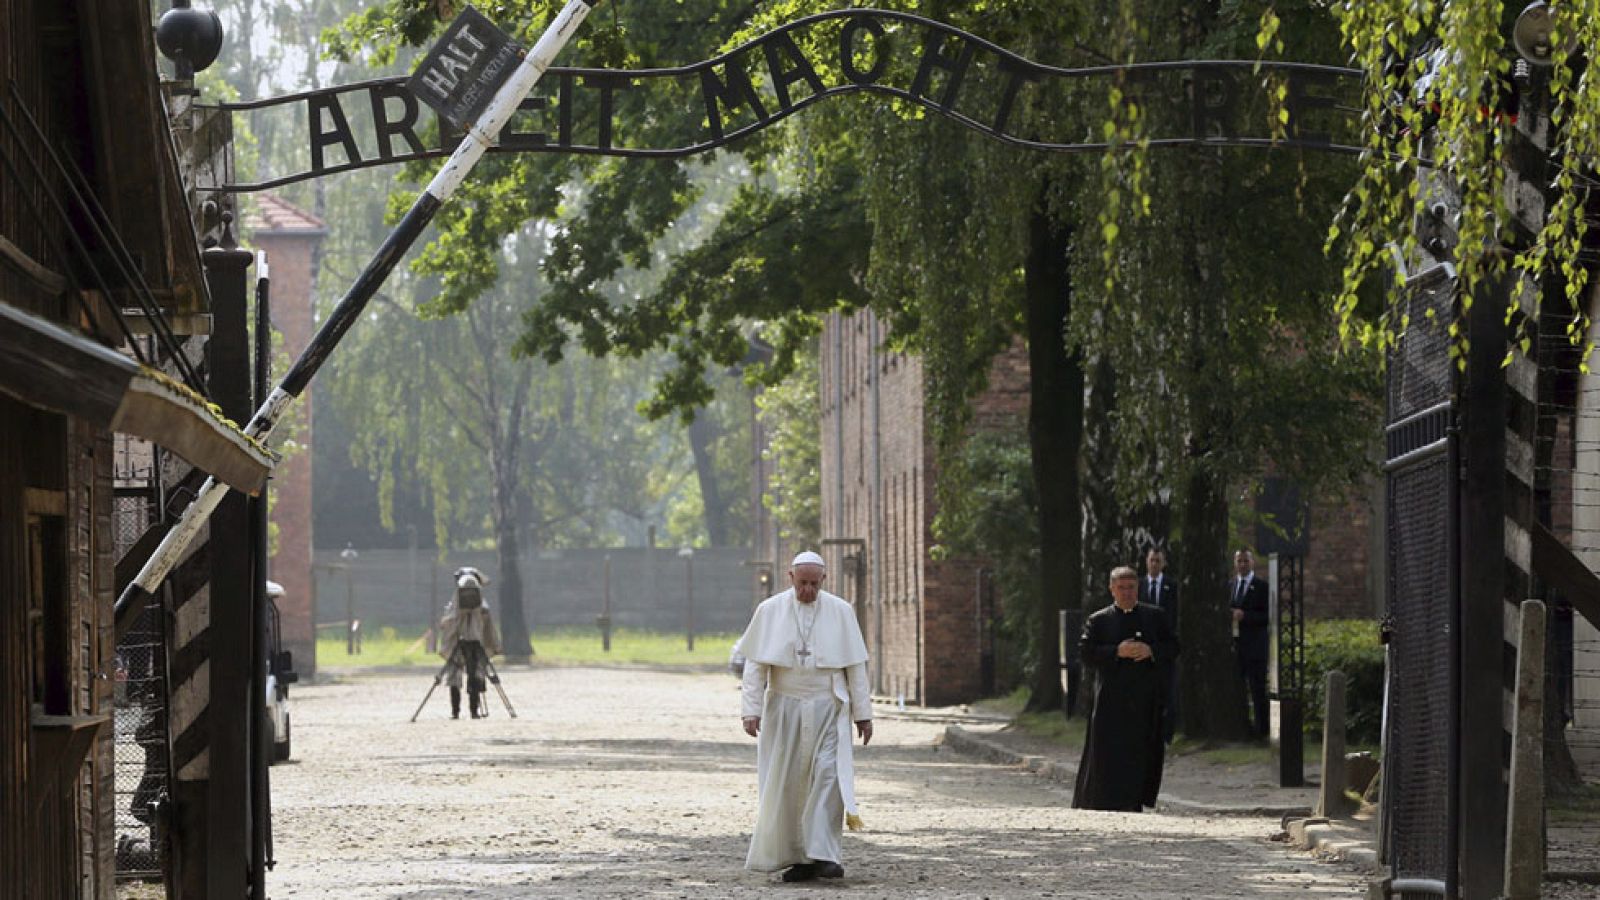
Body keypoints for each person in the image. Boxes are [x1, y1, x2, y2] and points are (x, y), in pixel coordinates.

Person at [738, 550, 873, 882]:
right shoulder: (769, 611)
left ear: (823, 580)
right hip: (785, 707)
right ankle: (798, 858)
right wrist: (750, 710)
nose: (808, 591)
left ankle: (824, 855)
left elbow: (855, 667)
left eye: (814, 584)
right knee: (789, 784)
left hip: (829, 705)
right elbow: (755, 666)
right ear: (790, 578)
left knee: (829, 777)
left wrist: (863, 715)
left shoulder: (841, 612)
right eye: (802, 584)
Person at [1072, 565, 1179, 812]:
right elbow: (1086, 653)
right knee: (1108, 752)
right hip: (1111, 699)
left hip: (1145, 699)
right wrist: (1116, 651)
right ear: (1112, 589)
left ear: (1137, 588)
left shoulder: (1155, 616)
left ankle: (1136, 799)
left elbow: (1174, 646)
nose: (1127, 593)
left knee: (1141, 751)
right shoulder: (1099, 620)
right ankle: (1103, 799)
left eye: (1131, 588)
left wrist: (1151, 650)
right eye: (1121, 588)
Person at [438, 567, 501, 719]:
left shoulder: (476, 605)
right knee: (458, 675)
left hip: (471, 643)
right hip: (465, 643)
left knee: (473, 674)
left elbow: (485, 626)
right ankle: (465, 711)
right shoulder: (465, 603)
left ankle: (463, 711)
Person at [1139, 547, 1180, 743]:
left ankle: (1167, 736)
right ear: (1146, 562)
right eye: (1152, 560)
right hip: (1143, 647)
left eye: (1158, 561)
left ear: (1163, 563)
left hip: (1164, 649)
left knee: (1168, 695)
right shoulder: (1139, 586)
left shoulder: (1172, 586)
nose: (1154, 564)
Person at [1230, 549, 1271, 738]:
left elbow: (1266, 616)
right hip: (1236, 645)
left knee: (1257, 688)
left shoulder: (1261, 586)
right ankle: (1241, 727)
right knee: (1237, 689)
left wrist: (1246, 616)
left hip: (1255, 646)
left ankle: (1262, 729)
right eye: (1239, 561)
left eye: (1245, 561)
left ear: (1252, 562)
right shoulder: (1230, 585)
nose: (1242, 564)